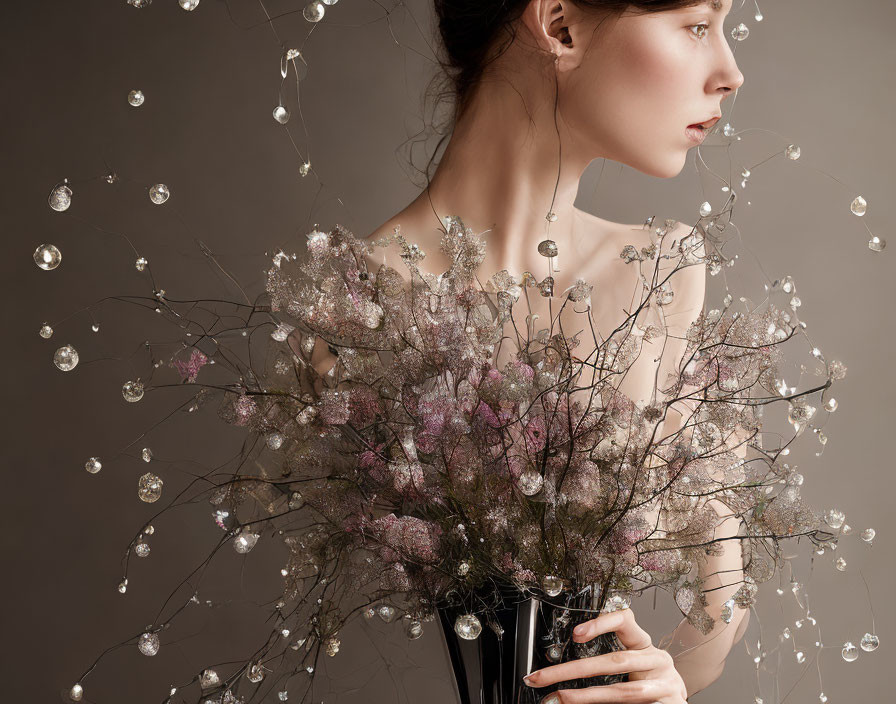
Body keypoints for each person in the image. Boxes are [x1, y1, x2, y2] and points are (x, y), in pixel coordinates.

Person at [337, 0, 746, 701]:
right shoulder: (357, 306)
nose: (730, 72)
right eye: (698, 23)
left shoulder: (662, 269)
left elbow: (715, 614)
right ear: (559, 24)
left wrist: (662, 677)